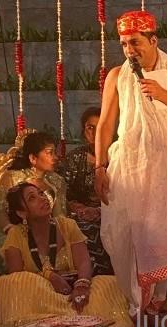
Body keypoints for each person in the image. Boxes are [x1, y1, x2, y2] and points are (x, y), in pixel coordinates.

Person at [94, 10, 167, 316]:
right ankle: (138, 310)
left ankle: (166, 309)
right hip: (131, 168)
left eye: (135, 42)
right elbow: (105, 124)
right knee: (129, 236)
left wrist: (164, 94)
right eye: (124, 44)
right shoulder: (117, 76)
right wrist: (99, 167)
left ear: (153, 40)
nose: (129, 50)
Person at [0, 183, 132, 327]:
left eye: (41, 193)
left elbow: (83, 261)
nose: (42, 198)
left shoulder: (67, 225)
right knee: (11, 283)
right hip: (42, 302)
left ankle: (86, 325)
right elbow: (18, 277)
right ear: (21, 213)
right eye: (32, 198)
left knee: (109, 283)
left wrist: (82, 285)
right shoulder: (15, 234)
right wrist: (49, 276)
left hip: (74, 293)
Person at [0, 132, 67, 275]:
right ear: (33, 158)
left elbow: (59, 216)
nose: (55, 157)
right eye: (49, 153)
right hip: (12, 230)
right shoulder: (11, 177)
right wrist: (13, 232)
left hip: (46, 232)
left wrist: (56, 234)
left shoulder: (57, 181)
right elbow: (0, 212)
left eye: (55, 152)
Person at [62, 107, 113, 276]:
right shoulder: (75, 157)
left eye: (100, 127)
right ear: (84, 131)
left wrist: (100, 211)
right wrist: (82, 209)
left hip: (112, 211)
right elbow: (64, 193)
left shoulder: (118, 156)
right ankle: (90, 279)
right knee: (82, 228)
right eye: (90, 127)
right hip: (82, 215)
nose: (95, 132)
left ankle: (112, 281)